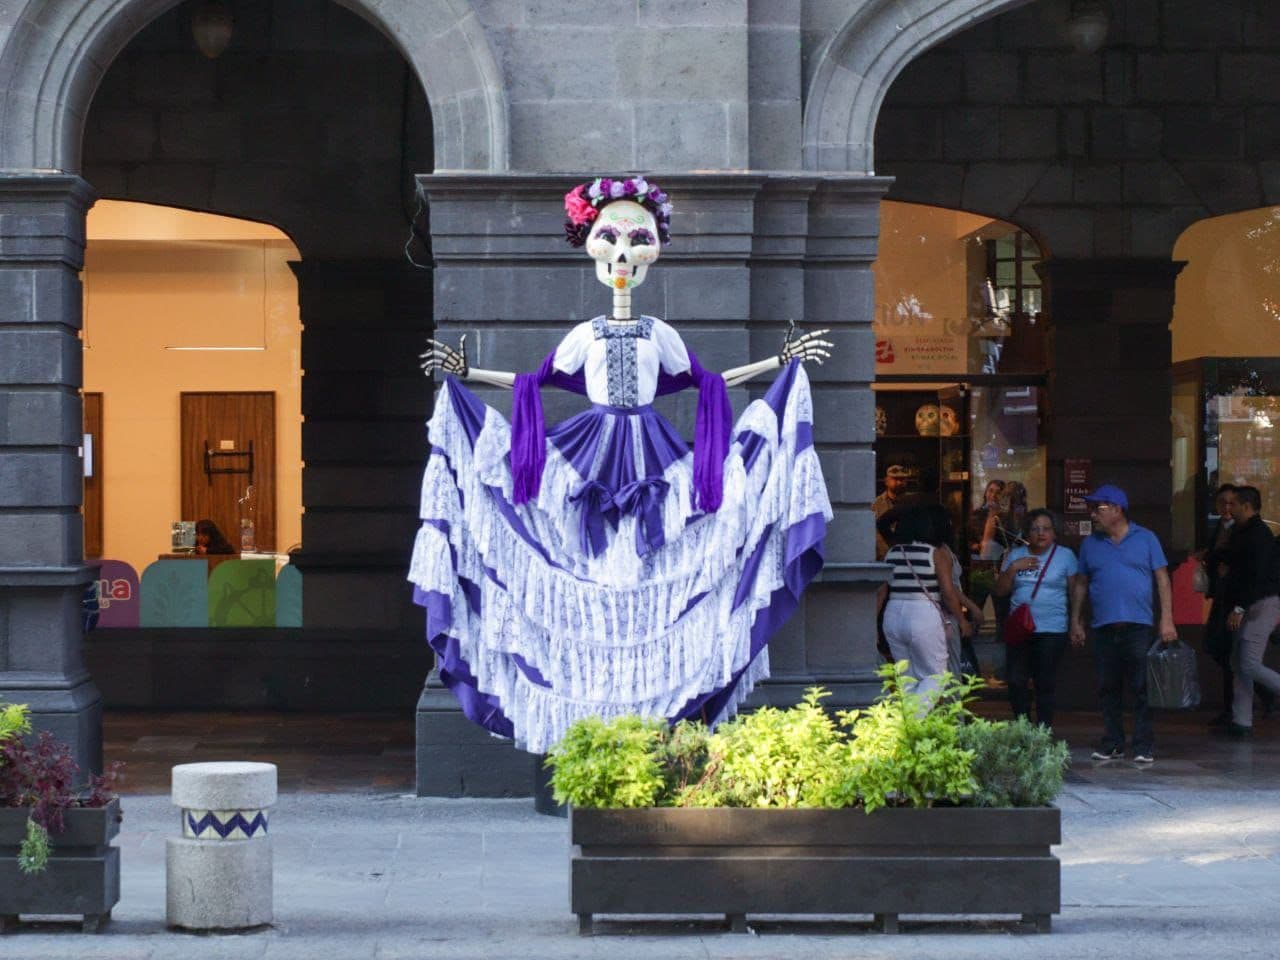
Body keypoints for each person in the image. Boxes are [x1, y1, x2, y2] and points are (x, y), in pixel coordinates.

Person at [412, 176, 835, 752]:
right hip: (589, 449)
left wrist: (777, 365)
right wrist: (468, 377)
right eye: (609, 236)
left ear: (652, 249)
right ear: (589, 241)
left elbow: (709, 384)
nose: (622, 253)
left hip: (652, 451)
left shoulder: (658, 333)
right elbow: (531, 385)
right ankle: (594, 707)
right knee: (577, 557)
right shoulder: (584, 335)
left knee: (659, 551)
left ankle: (648, 707)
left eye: (638, 239)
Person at [1070, 484, 1177, 764]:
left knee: (1142, 688)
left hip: (1138, 625)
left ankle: (1142, 745)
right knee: (1108, 688)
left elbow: (1163, 579)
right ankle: (1113, 742)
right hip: (1103, 626)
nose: (1093, 514)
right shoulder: (1090, 544)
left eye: (1099, 508)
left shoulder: (1146, 539)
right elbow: (1081, 584)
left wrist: (1167, 620)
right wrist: (1076, 621)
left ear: (1117, 510)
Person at [994, 508, 1080, 727]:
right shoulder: (1015, 555)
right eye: (1035, 529)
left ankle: (1043, 730)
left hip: (1052, 628)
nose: (1041, 533)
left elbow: (1074, 592)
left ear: (1054, 533)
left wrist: (1075, 622)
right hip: (1020, 629)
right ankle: (1022, 725)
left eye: (1046, 529)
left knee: (1045, 682)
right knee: (1015, 680)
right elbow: (1001, 591)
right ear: (1027, 532)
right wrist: (1013, 569)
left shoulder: (1065, 556)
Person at [881, 504, 974, 705]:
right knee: (936, 675)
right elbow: (948, 593)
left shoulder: (892, 552)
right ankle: (913, 722)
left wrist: (871, 621)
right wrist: (962, 620)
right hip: (923, 613)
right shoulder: (934, 552)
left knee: (906, 677)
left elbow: (881, 591)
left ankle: (910, 727)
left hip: (893, 613)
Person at [1221, 486, 1280, 738]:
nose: (1228, 509)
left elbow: (1254, 577)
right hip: (1250, 604)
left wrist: (1239, 608)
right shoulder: (1243, 532)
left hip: (1259, 604)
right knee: (1239, 663)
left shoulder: (1258, 535)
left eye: (1233, 504)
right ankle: (1241, 721)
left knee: (1248, 663)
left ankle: (1242, 720)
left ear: (1246, 506)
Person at [872, 464, 911, 560]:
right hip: (883, 558)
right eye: (895, 479)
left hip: (908, 558)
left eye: (902, 479)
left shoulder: (912, 503)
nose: (899, 483)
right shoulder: (875, 504)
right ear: (886, 481)